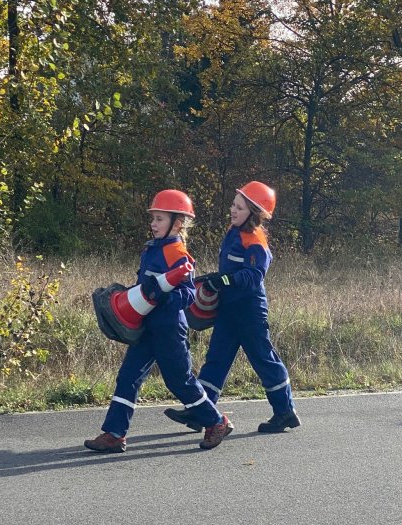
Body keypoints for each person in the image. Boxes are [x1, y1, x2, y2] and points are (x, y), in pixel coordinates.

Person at [84, 189, 233, 452]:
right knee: (128, 377)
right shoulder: (151, 250)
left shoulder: (179, 255)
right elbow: (146, 286)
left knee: (179, 381)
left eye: (159, 219)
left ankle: (216, 421)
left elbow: (188, 295)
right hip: (147, 326)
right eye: (153, 218)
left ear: (177, 223)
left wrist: (161, 296)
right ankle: (115, 434)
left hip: (169, 330)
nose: (153, 224)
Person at [164, 181, 301, 434]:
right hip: (228, 309)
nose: (232, 210)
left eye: (239, 207)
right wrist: (215, 280)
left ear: (254, 212)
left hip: (249, 312)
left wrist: (223, 280)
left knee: (263, 359)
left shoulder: (256, 240)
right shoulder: (234, 231)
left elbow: (253, 277)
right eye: (233, 205)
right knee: (216, 358)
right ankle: (201, 410)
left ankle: (285, 412)